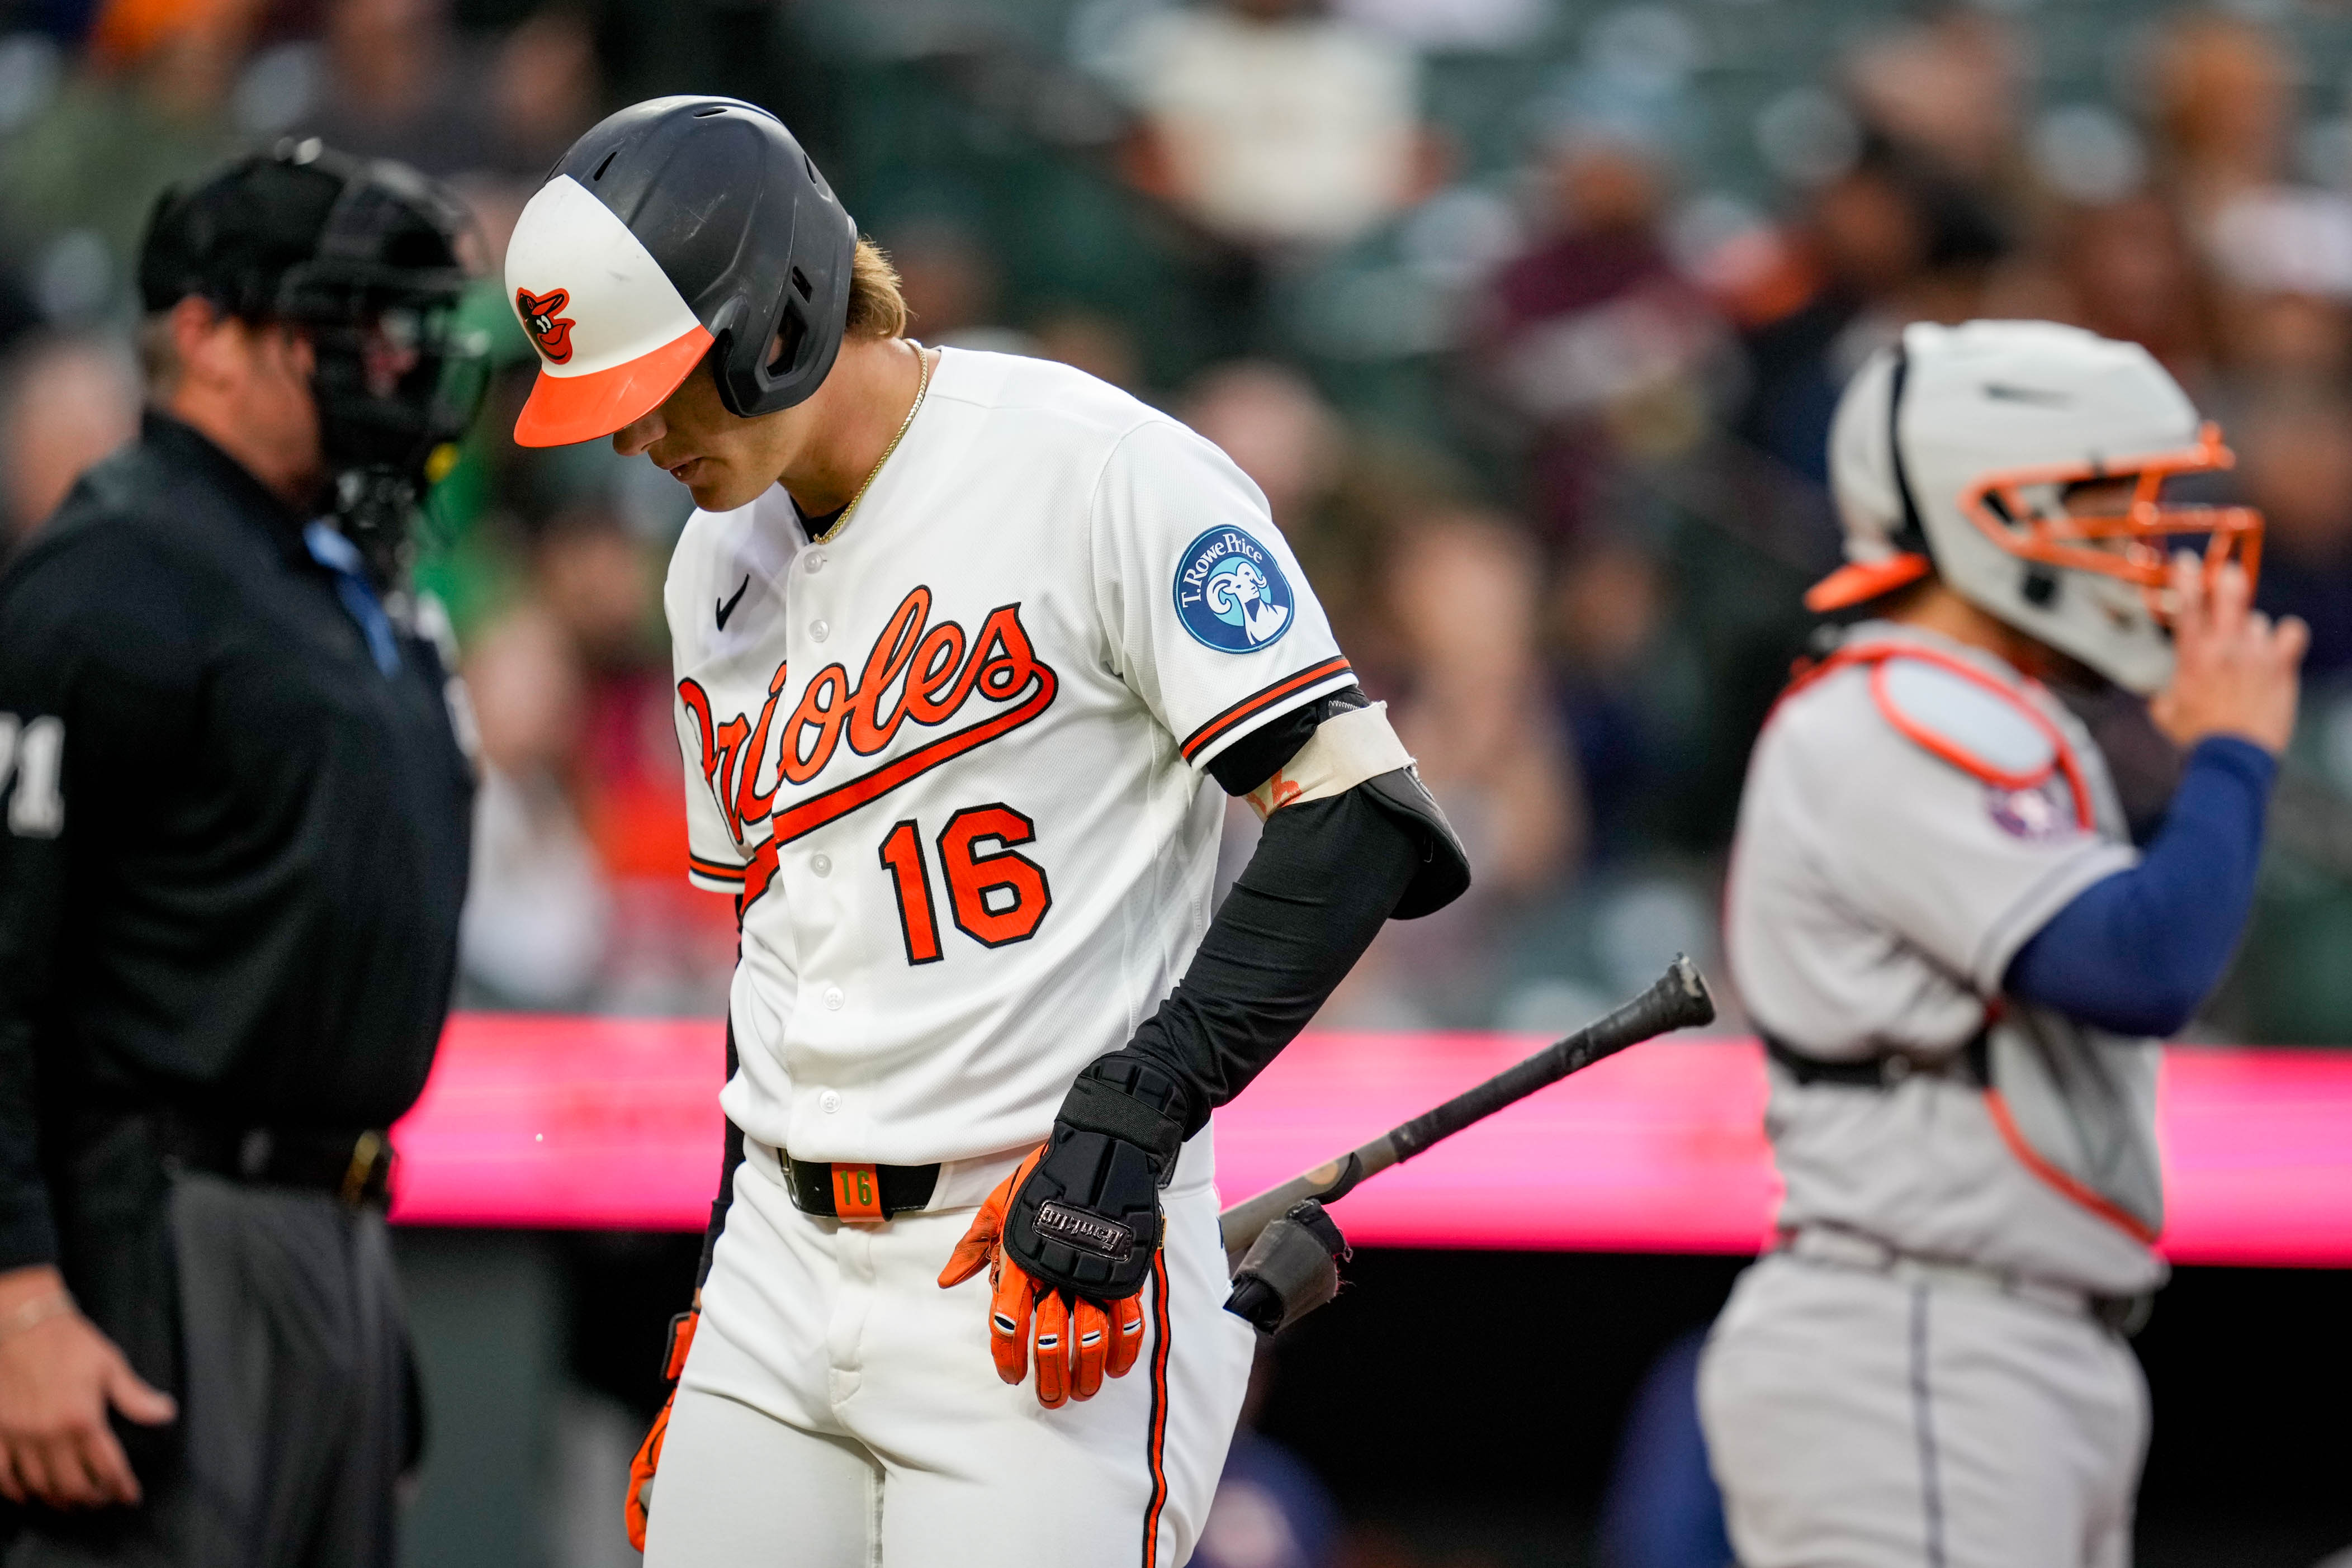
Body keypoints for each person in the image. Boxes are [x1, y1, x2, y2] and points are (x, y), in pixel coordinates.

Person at [498, 96, 1468, 1566]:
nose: (633, 434)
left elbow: (1361, 817)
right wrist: (717, 1279)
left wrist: (1140, 1112)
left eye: (656, 383)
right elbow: (784, 958)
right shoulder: (711, 568)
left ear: (781, 312)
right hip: (778, 1254)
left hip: (1032, 1256)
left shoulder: (1095, 466)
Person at [1702, 319, 2304, 1567]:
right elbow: (2139, 962)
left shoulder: (1981, 706)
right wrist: (2232, 753)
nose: (2148, 550)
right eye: (2107, 509)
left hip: (1994, 1338)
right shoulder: (1894, 709)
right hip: (1916, 1337)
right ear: (1999, 511)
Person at [0, 141, 484, 1564]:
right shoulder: (112, 577)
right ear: (207, 332)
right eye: (347, 325)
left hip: (329, 1224)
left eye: (405, 331)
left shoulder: (346, 578)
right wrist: (19, 1292)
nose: (392, 368)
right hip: (155, 1239)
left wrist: (356, 1306)